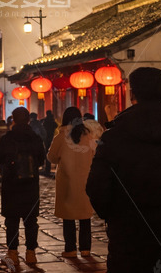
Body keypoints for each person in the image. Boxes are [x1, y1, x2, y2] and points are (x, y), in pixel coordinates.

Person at [87, 67, 161, 273]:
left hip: (127, 233)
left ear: (133, 94)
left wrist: (114, 214)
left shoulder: (113, 137)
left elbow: (96, 187)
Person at [0, 107, 46, 267]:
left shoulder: (7, 138)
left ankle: (13, 253)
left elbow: (0, 158)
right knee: (31, 220)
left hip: (11, 184)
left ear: (13, 120)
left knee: (12, 220)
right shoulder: (35, 138)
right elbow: (41, 160)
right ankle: (31, 254)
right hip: (30, 184)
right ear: (28, 120)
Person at [47, 107, 99, 258]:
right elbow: (95, 154)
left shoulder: (61, 136)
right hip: (85, 179)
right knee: (85, 216)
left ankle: (70, 248)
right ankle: (85, 248)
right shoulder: (89, 135)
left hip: (67, 180)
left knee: (68, 216)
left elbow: (51, 157)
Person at [41, 110, 57, 176]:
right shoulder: (52, 121)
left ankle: (46, 168)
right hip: (51, 138)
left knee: (46, 152)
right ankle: (48, 168)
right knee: (49, 152)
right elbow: (55, 125)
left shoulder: (45, 121)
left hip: (46, 138)